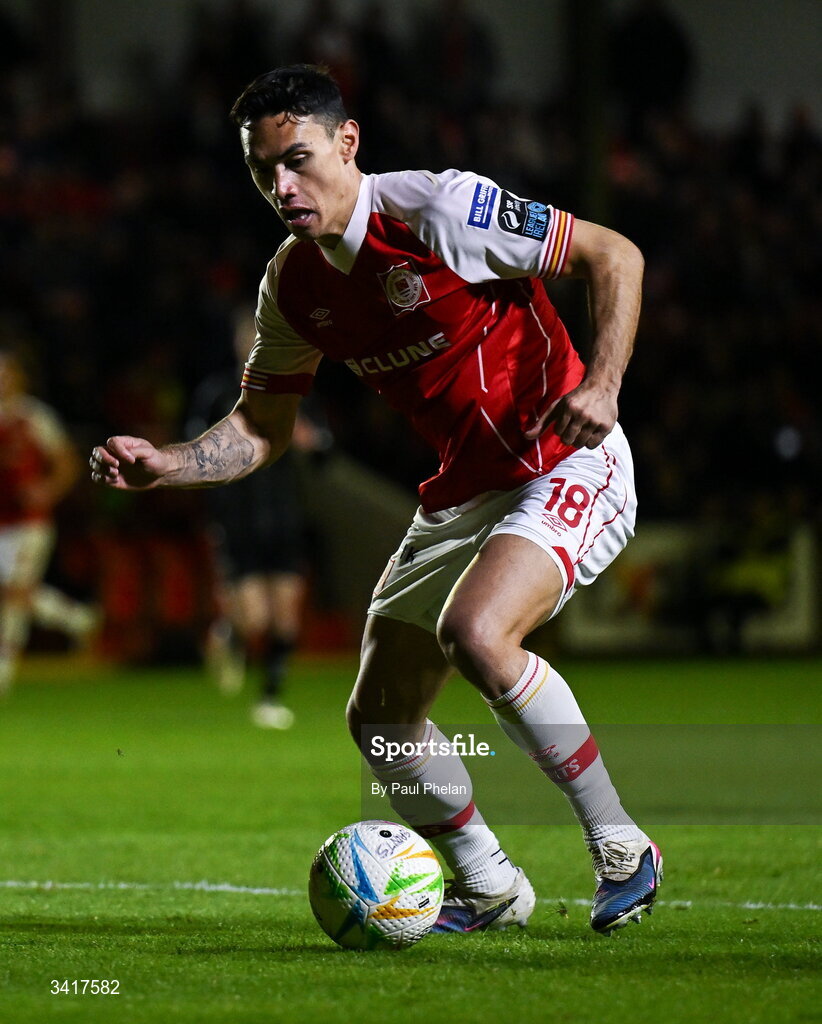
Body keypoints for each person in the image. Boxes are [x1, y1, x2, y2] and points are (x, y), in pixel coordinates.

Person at [90, 64, 661, 935]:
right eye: (263, 172)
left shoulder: (439, 211)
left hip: (566, 456)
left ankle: (623, 847)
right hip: (464, 490)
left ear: (347, 143)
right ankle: (489, 886)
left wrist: (607, 383)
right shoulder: (293, 286)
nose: (283, 186)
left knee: (476, 632)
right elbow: (261, 427)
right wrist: (167, 463)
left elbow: (613, 252)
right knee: (382, 719)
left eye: (299, 159)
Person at [189, 306, 327, 728]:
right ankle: (229, 629)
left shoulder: (294, 389)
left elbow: (325, 449)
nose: (252, 342)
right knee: (257, 619)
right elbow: (193, 451)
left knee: (285, 615)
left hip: (285, 515)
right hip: (239, 519)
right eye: (245, 334)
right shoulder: (216, 393)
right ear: (236, 342)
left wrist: (312, 440)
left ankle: (270, 696)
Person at [0, 348, 99, 692]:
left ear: (19, 378)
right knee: (14, 594)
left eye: (6, 373)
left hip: (29, 522)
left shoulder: (34, 417)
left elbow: (67, 463)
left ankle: (4, 669)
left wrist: (46, 491)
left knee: (15, 593)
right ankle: (75, 618)